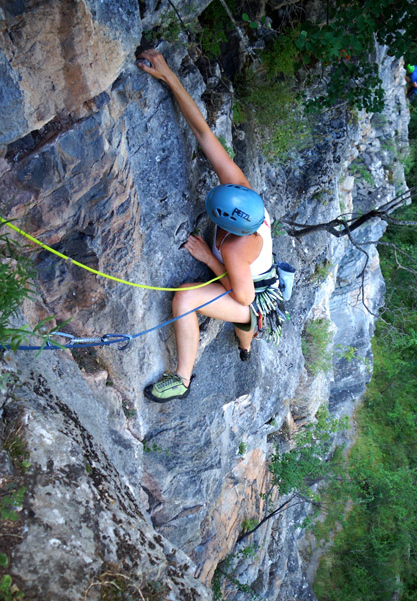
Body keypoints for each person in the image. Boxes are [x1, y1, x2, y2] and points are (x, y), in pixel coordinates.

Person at [137, 49, 283, 402]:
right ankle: (246, 344)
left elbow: (242, 296)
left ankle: (183, 380)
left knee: (193, 301)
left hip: (254, 295)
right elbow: (203, 134)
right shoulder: (243, 193)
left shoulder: (235, 247)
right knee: (243, 326)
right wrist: (169, 76)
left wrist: (206, 258)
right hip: (251, 280)